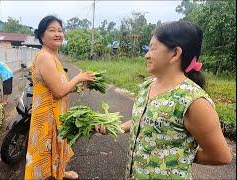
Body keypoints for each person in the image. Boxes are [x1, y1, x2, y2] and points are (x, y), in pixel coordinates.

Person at [95, 21, 232, 179]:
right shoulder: (148, 85)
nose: (147, 54)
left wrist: (178, 155)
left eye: (153, 48)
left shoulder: (193, 101)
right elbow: (141, 121)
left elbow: (221, 156)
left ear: (175, 54)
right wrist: (116, 128)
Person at [24, 15, 95, 180]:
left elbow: (62, 85)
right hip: (46, 117)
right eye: (52, 30)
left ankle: (60, 173)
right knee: (44, 155)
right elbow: (58, 91)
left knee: (57, 147)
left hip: (57, 114)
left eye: (60, 30)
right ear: (41, 35)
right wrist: (79, 77)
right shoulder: (44, 57)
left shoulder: (53, 57)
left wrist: (79, 85)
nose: (58, 34)